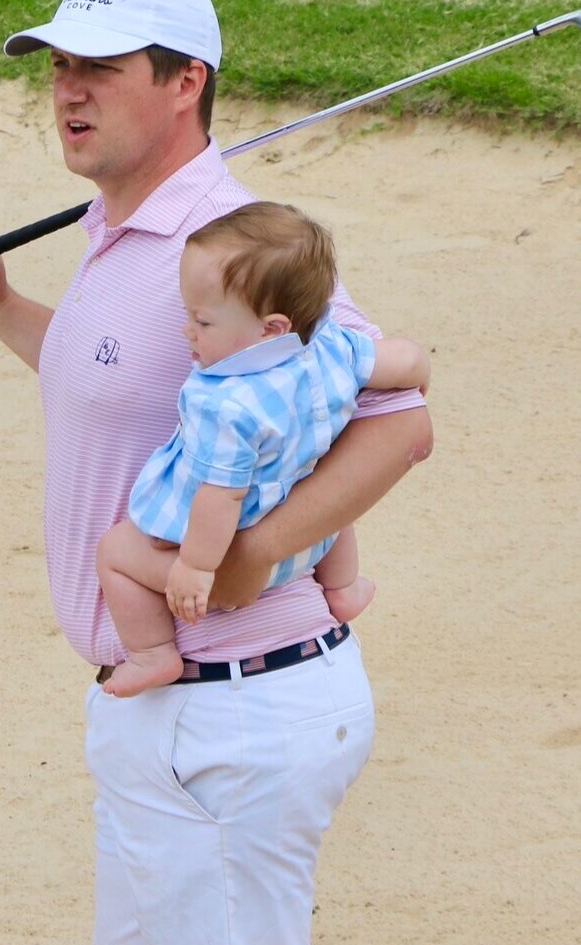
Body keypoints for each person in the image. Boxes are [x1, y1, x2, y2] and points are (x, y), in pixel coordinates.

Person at [0, 0, 431, 945]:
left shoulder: (231, 244)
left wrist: (243, 558)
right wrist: (0, 306)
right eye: (57, 66)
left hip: (239, 699)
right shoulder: (122, 229)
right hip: (160, 698)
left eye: (99, 66)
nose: (67, 90)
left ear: (185, 80)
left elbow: (398, 421)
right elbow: (113, 386)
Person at [96, 201, 431, 698]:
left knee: (115, 552)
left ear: (271, 328)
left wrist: (195, 566)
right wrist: (420, 373)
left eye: (203, 322)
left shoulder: (225, 403)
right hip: (310, 543)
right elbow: (404, 361)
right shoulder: (332, 347)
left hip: (231, 553)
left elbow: (221, 494)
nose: (188, 330)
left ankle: (152, 652)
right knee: (326, 486)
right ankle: (344, 588)